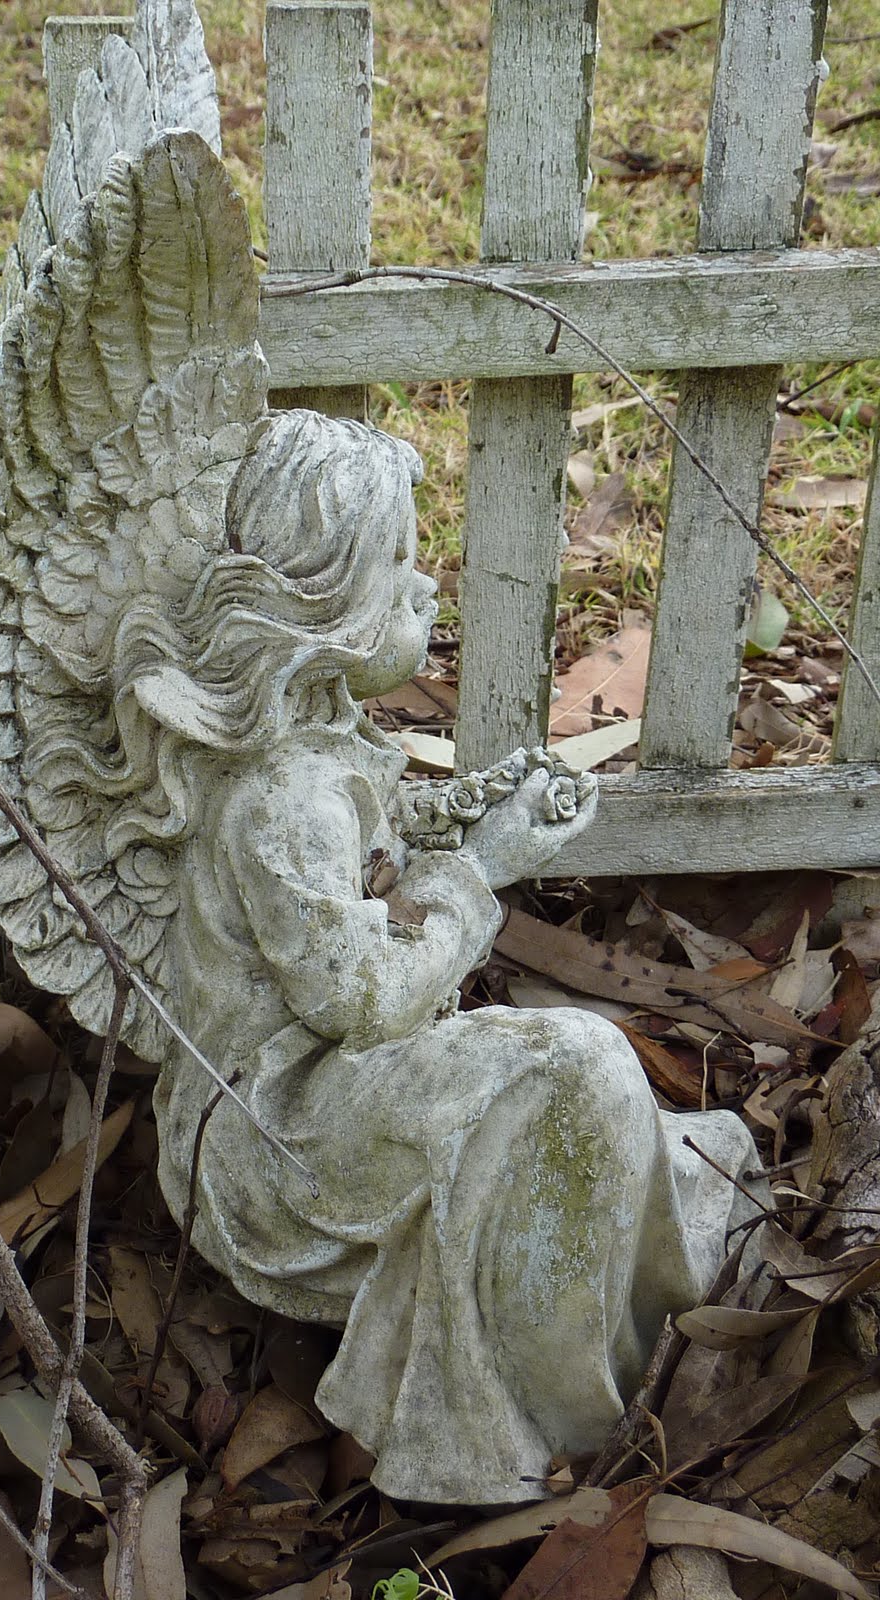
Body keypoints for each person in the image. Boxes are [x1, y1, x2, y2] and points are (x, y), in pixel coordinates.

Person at [149, 407, 757, 1503]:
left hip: (327, 1078)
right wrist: (485, 868)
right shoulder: (282, 798)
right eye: (396, 566)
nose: (426, 586)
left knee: (572, 1072)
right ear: (322, 607)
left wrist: (464, 820)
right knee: (569, 1063)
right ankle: (534, 1408)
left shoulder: (316, 744)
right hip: (276, 1135)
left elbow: (368, 872)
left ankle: (608, 1301)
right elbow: (365, 1002)